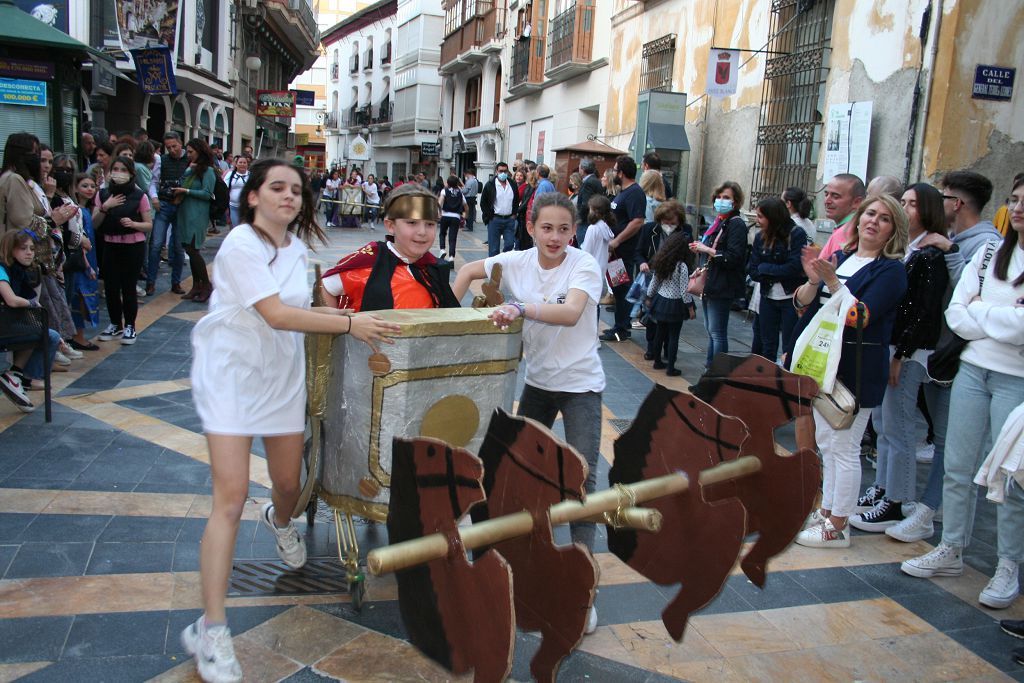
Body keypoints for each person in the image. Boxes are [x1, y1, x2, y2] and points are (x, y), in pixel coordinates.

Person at [183, 159, 400, 682]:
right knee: (230, 498)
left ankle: (279, 521)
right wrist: (349, 322)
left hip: (280, 378)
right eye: (277, 188)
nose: (288, 197)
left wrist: (359, 321)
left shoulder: (297, 249)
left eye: (296, 190)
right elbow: (276, 314)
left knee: (289, 485)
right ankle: (211, 631)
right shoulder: (239, 243)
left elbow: (300, 311)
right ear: (253, 196)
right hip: (230, 378)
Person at [453, 192, 603, 634]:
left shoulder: (584, 265)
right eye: (546, 228)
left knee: (583, 480)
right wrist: (440, 319)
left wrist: (520, 308)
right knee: (513, 474)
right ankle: (513, 565)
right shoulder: (517, 261)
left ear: (573, 231)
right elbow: (465, 271)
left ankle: (583, 590)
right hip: (536, 384)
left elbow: (573, 312)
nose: (555, 237)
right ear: (532, 227)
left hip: (580, 387)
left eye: (563, 229)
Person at [900, 176, 1024, 609]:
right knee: (957, 464)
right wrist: (1002, 318)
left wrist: (982, 314)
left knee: (1006, 475)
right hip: (972, 370)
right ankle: (951, 546)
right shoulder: (992, 253)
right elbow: (957, 313)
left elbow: (1017, 327)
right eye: (1015, 200)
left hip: (1016, 377)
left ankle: (1008, 565)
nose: (1020, 208)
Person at [790, 193, 909, 548]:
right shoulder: (841, 257)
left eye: (884, 218)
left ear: (894, 230)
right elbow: (802, 305)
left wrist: (833, 283)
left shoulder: (891, 271)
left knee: (844, 445)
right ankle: (828, 510)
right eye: (869, 213)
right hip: (823, 364)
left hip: (856, 369)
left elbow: (860, 317)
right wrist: (814, 280)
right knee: (827, 442)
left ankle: (838, 525)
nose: (873, 221)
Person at [849, 183, 951, 537]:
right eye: (902, 201)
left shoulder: (930, 255)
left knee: (899, 427)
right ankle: (883, 487)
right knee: (883, 425)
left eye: (910, 204)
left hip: (907, 353)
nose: (904, 207)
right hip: (890, 348)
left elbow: (922, 314)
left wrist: (901, 355)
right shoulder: (908, 252)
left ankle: (898, 499)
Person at [320, 183, 461, 311]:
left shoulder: (433, 267)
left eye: (430, 224)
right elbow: (324, 287)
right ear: (390, 226)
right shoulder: (367, 263)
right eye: (412, 223)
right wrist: (339, 326)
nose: (422, 232)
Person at [0, 231, 62, 411]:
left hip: (8, 326)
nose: (29, 253)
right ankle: (19, 377)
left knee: (47, 334)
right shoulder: (2, 269)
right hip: (4, 328)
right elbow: (11, 300)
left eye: (32, 249)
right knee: (46, 335)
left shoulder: (21, 273)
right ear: (10, 250)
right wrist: (31, 303)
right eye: (23, 248)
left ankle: (17, 376)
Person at [688, 181, 749, 366]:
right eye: (719, 197)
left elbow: (734, 257)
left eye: (727, 198)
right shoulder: (720, 223)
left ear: (736, 202)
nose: (721, 201)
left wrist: (706, 249)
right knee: (710, 329)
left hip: (723, 285)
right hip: (713, 282)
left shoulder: (736, 224)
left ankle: (715, 373)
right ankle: (710, 369)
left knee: (717, 331)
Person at [93, 157, 152, 345]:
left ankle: (130, 326)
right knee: (110, 287)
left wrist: (134, 224)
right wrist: (105, 207)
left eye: (123, 170)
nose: (118, 173)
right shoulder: (103, 194)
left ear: (131, 173)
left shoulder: (139, 196)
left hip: (132, 245)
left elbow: (149, 224)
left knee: (128, 287)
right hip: (110, 244)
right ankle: (115, 324)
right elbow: (95, 223)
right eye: (115, 169)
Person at [747, 197, 808, 363]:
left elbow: (794, 267)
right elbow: (753, 270)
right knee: (767, 343)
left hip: (791, 298)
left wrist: (766, 269)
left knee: (790, 345)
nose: (757, 220)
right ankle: (767, 382)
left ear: (772, 217)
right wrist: (773, 271)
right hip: (767, 296)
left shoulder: (796, 234)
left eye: (760, 216)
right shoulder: (760, 237)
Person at [600, 155, 647, 343]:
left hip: (623, 251)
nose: (613, 173)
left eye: (615, 169)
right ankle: (620, 325)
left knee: (621, 289)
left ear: (622, 173)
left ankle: (622, 328)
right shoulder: (623, 192)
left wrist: (617, 241)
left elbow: (637, 221)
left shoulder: (635, 193)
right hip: (616, 252)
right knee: (618, 289)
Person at [173, 139, 217, 303]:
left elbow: (207, 193)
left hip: (197, 215)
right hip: (185, 212)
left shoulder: (208, 171)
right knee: (189, 249)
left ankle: (206, 285)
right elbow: (182, 180)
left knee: (193, 250)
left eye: (191, 151)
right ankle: (196, 286)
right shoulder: (192, 169)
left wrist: (187, 191)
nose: (188, 155)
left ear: (200, 151)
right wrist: (188, 172)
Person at [645, 231, 695, 377]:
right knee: (674, 336)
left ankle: (657, 360)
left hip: (661, 300)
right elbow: (684, 290)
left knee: (660, 332)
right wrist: (690, 307)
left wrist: (649, 296)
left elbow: (655, 281)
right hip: (676, 304)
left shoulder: (662, 261)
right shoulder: (682, 266)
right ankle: (671, 367)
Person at [146, 132, 189, 296]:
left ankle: (176, 282)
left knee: (178, 247)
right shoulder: (160, 160)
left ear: (180, 143)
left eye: (174, 146)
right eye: (169, 147)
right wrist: (155, 198)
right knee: (156, 244)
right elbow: (153, 182)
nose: (172, 150)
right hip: (163, 205)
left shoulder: (189, 160)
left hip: (181, 207)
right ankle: (151, 282)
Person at [68, 173, 100, 350]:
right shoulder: (76, 210)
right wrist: (87, 264)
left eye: (92, 186)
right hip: (83, 261)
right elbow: (80, 238)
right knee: (79, 296)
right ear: (75, 188)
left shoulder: (86, 210)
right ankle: (77, 336)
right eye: (84, 186)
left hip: (90, 259)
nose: (89, 189)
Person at [819, 174, 867, 259]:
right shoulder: (847, 228)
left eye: (835, 196)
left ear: (856, 202)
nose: (827, 201)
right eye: (826, 194)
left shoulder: (848, 232)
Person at [480, 162, 520, 257]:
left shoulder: (512, 184)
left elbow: (516, 200)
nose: (503, 173)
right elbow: (483, 202)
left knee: (510, 244)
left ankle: (504, 263)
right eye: (501, 171)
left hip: (509, 219)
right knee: (494, 248)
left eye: (505, 171)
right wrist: (490, 216)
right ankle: (494, 269)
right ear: (496, 172)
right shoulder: (490, 185)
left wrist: (514, 214)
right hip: (495, 219)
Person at [437, 175, 467, 261]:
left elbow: (440, 202)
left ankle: (442, 249)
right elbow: (466, 206)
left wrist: (439, 212)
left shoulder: (444, 191)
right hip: (456, 217)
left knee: (442, 233)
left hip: (445, 215)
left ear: (448, 183)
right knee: (452, 237)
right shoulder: (460, 193)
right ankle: (451, 257)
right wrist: (465, 216)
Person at [575, 158, 604, 244]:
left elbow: (585, 204)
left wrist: (578, 219)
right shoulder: (595, 180)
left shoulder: (589, 183)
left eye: (579, 168)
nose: (579, 170)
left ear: (583, 169)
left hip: (585, 222)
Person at [223, 155, 250, 228]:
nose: (242, 164)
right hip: (233, 206)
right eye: (240, 162)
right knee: (235, 227)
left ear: (247, 164)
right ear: (236, 164)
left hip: (246, 207)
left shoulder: (250, 176)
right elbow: (224, 187)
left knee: (245, 228)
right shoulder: (230, 174)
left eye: (244, 163)